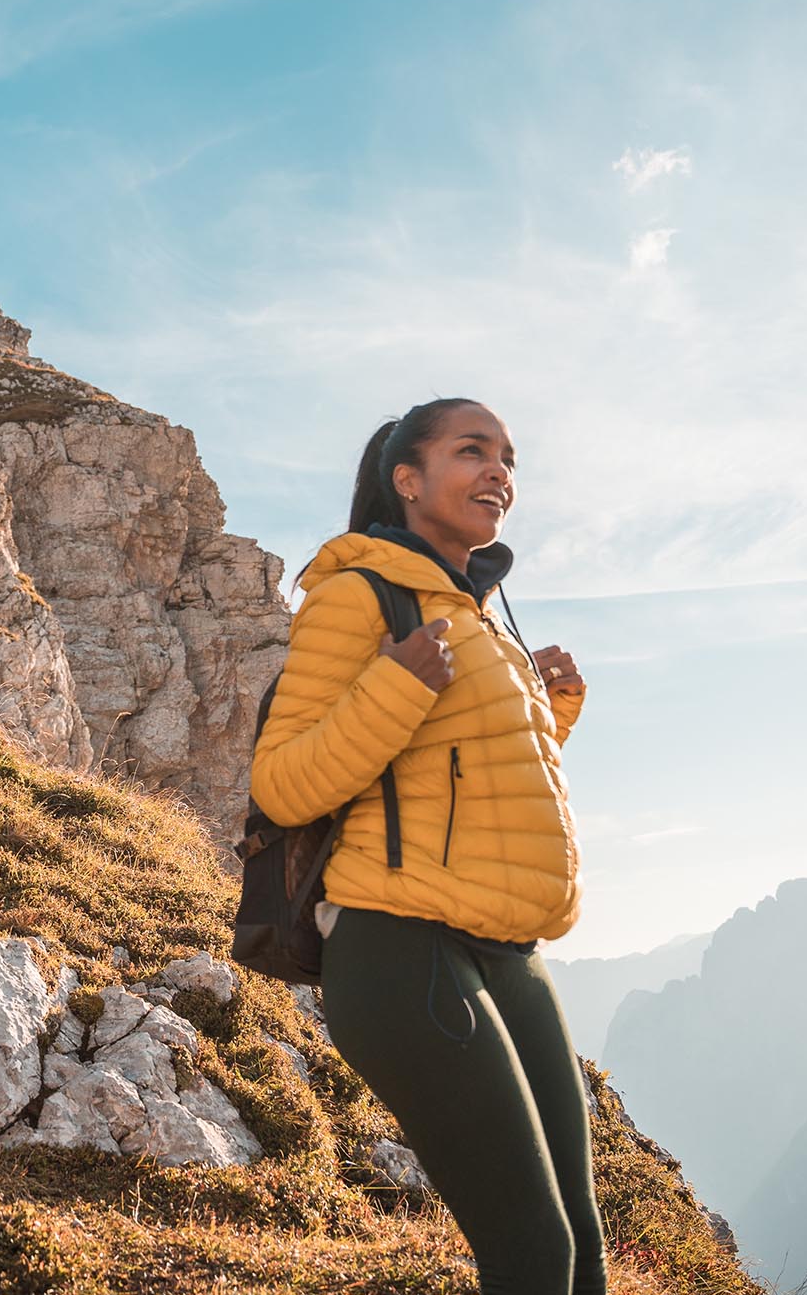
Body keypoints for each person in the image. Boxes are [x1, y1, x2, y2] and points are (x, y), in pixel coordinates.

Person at [248, 399, 601, 1295]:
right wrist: (393, 689)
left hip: (507, 948)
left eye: (507, 458)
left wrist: (550, 716)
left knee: (580, 1251)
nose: (499, 473)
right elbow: (282, 785)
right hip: (403, 947)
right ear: (407, 481)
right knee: (534, 1258)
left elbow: (462, 780)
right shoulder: (356, 595)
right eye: (471, 451)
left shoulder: (481, 621)